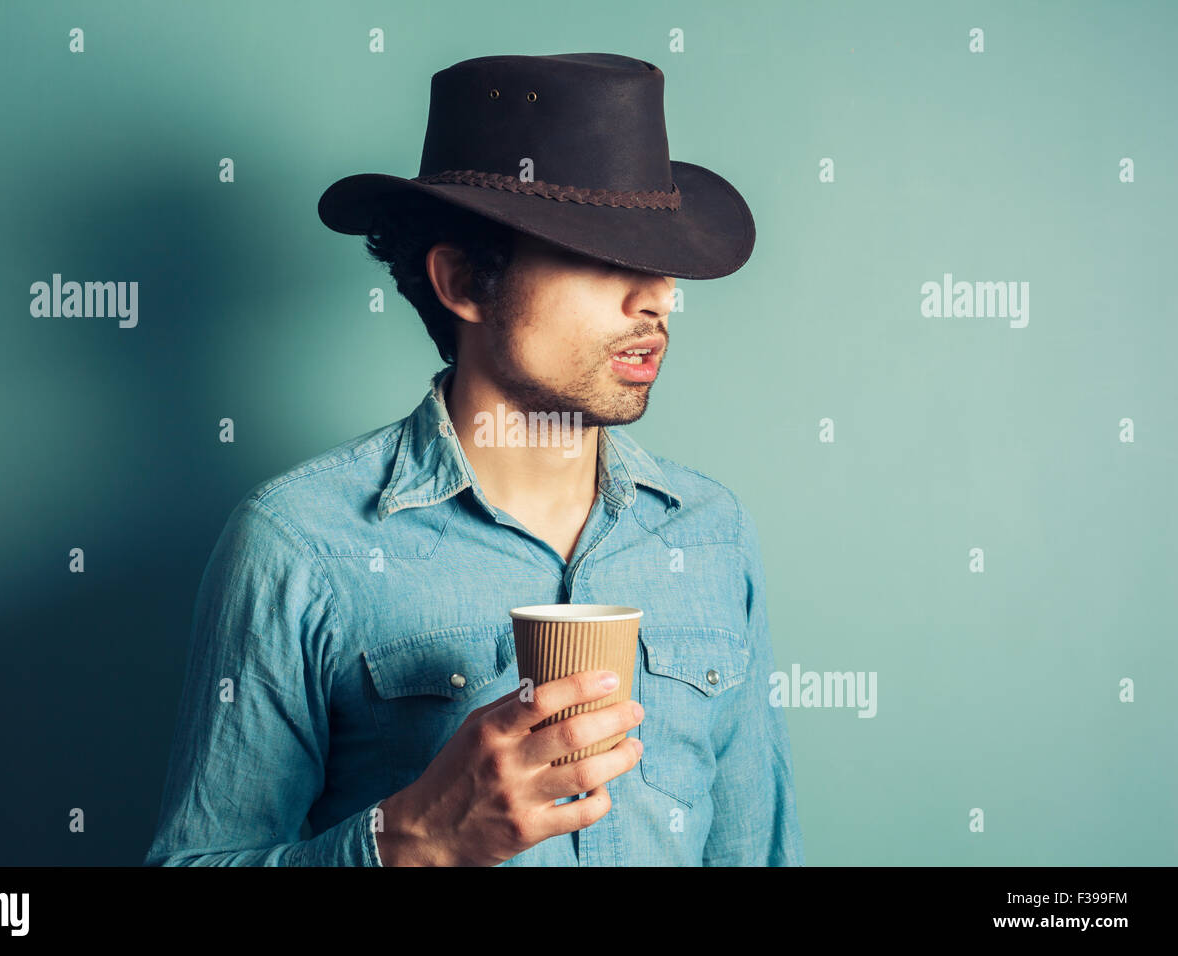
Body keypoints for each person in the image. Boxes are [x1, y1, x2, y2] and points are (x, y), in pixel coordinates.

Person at [144, 52, 804, 866]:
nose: (659, 297)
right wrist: (411, 841)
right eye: (601, 258)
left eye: (660, 265)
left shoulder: (712, 533)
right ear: (462, 281)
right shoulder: (299, 544)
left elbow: (758, 851)